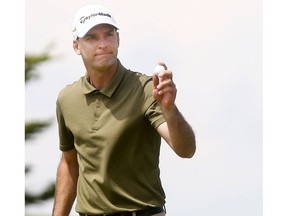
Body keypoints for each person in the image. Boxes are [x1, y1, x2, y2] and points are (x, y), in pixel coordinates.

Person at [52, 4, 196, 216]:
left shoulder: (146, 89)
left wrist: (170, 109)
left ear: (117, 39)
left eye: (108, 35)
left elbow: (185, 149)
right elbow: (70, 163)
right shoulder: (67, 99)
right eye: (92, 37)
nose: (103, 44)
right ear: (76, 46)